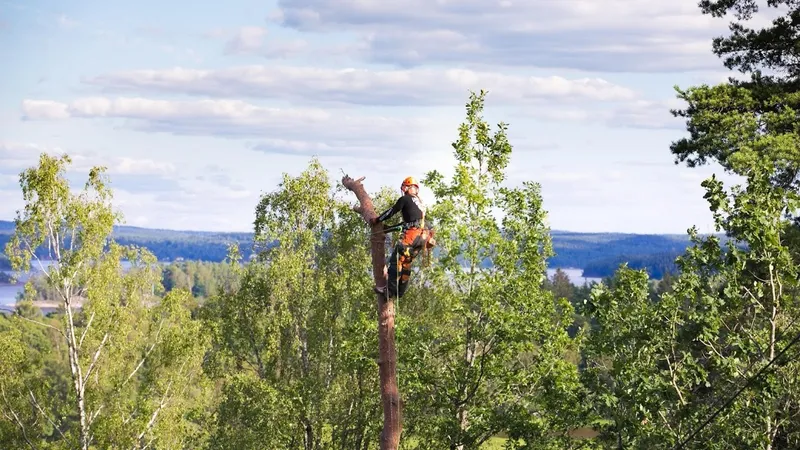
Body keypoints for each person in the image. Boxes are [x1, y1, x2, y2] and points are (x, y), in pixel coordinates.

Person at [370, 176, 436, 299]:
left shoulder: (405, 199)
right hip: (423, 236)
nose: (404, 190)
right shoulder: (420, 204)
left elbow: (391, 211)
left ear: (409, 187)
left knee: (396, 259)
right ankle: (399, 292)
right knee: (405, 262)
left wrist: (377, 220)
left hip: (413, 235)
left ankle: (388, 292)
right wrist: (389, 228)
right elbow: (410, 222)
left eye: (405, 187)